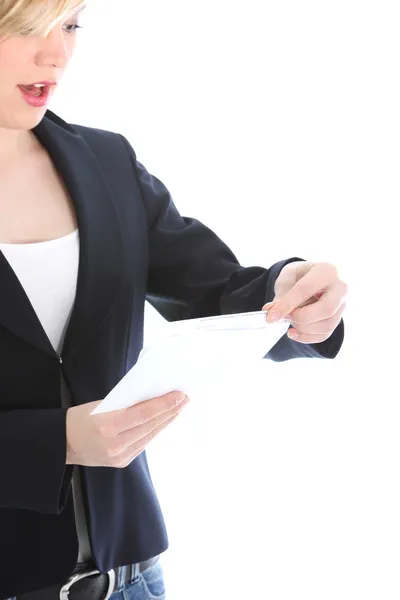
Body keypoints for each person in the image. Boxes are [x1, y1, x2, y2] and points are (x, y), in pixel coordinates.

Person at [0, 1, 347, 599]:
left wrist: (293, 293)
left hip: (133, 582)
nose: (57, 54)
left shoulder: (105, 163)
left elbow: (219, 292)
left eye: (72, 25)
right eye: (27, 27)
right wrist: (50, 442)